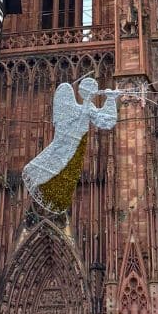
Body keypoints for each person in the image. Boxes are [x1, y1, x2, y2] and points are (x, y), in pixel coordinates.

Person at [23, 75, 119, 213]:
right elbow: (104, 120)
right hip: (72, 143)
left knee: (65, 171)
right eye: (90, 89)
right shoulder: (81, 106)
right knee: (60, 166)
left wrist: (110, 99)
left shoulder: (86, 107)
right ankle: (44, 185)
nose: (92, 92)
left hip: (76, 144)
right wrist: (109, 100)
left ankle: (54, 195)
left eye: (93, 89)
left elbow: (106, 121)